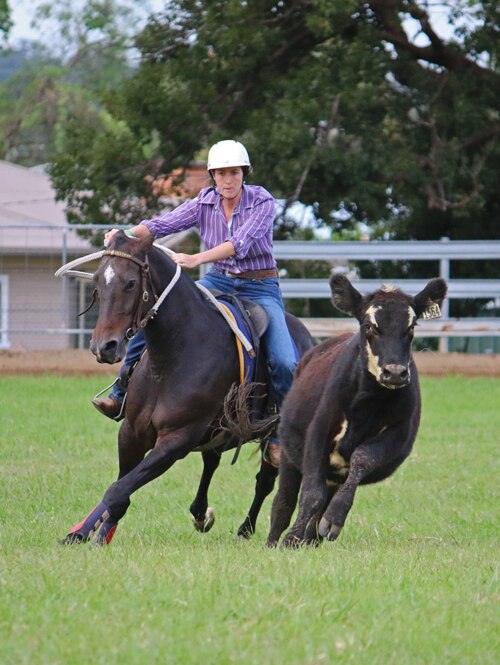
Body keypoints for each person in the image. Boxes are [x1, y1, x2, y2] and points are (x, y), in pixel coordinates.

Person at [93, 139, 297, 465]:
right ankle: (120, 390)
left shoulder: (263, 203)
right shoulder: (204, 202)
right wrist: (122, 233)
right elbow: (161, 224)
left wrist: (197, 257)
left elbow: (239, 243)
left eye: (234, 172)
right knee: (154, 314)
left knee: (286, 360)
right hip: (217, 280)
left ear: (244, 173)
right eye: (221, 173)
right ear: (213, 176)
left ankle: (278, 433)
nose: (228, 180)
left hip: (260, 287)